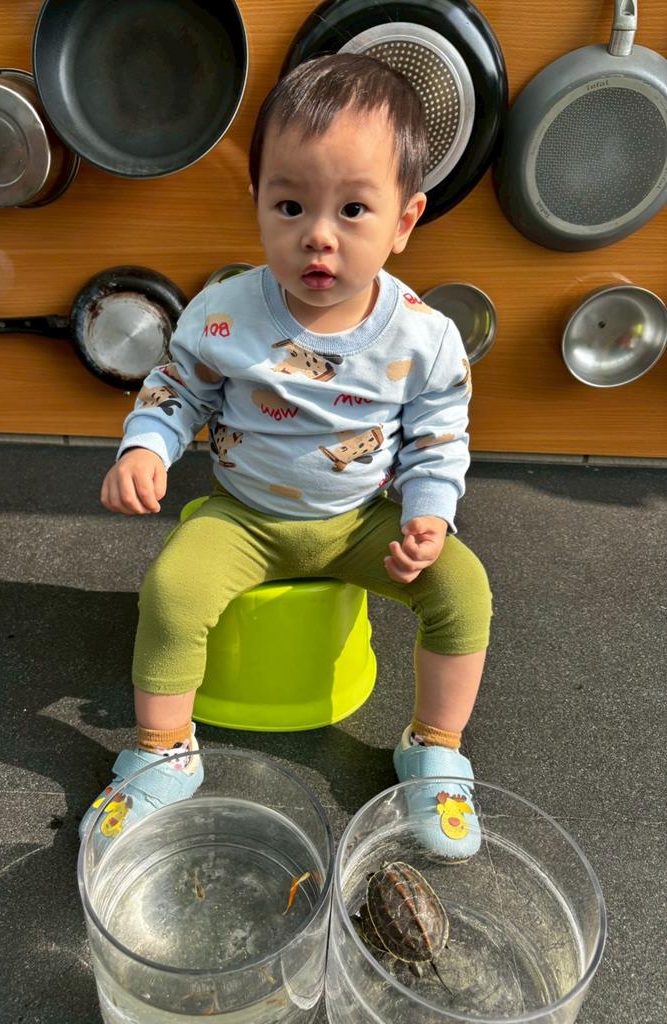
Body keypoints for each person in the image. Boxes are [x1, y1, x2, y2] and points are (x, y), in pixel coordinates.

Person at [80, 53, 492, 861]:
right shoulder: (225, 312)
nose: (317, 235)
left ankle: (435, 746)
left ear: (404, 221)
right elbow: (177, 389)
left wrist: (427, 517)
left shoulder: (424, 337)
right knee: (171, 590)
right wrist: (146, 447)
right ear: (258, 203)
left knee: (463, 590)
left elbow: (440, 435)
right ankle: (164, 750)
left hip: (360, 521)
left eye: (353, 209)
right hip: (243, 518)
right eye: (290, 204)